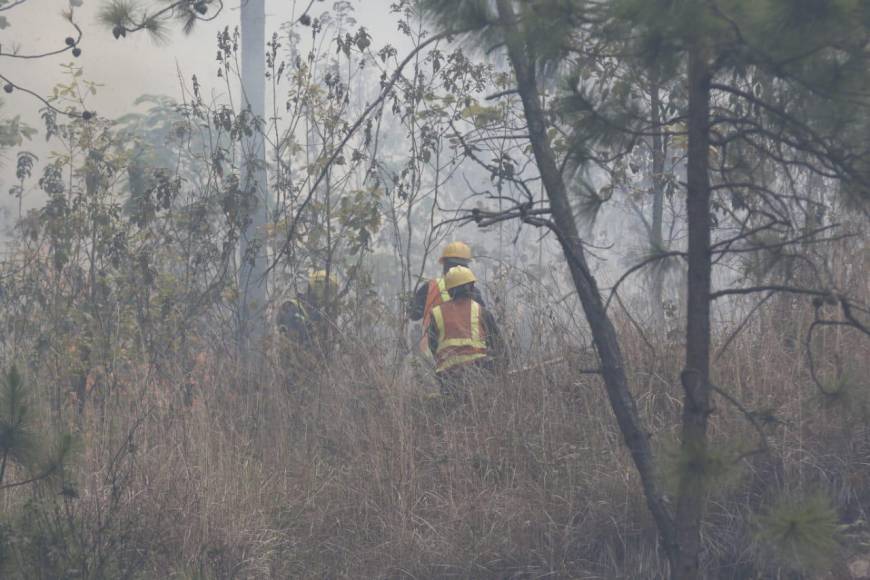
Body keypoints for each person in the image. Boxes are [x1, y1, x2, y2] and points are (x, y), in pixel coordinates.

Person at [428, 266, 506, 399]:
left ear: (449, 291)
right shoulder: (481, 311)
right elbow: (500, 348)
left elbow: (433, 346)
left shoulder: (437, 313)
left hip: (448, 377)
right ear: (471, 287)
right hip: (479, 372)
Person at [410, 241, 484, 352]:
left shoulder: (430, 287)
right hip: (472, 356)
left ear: (445, 266)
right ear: (467, 267)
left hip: (432, 355)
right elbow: (487, 326)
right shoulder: (473, 291)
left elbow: (413, 315)